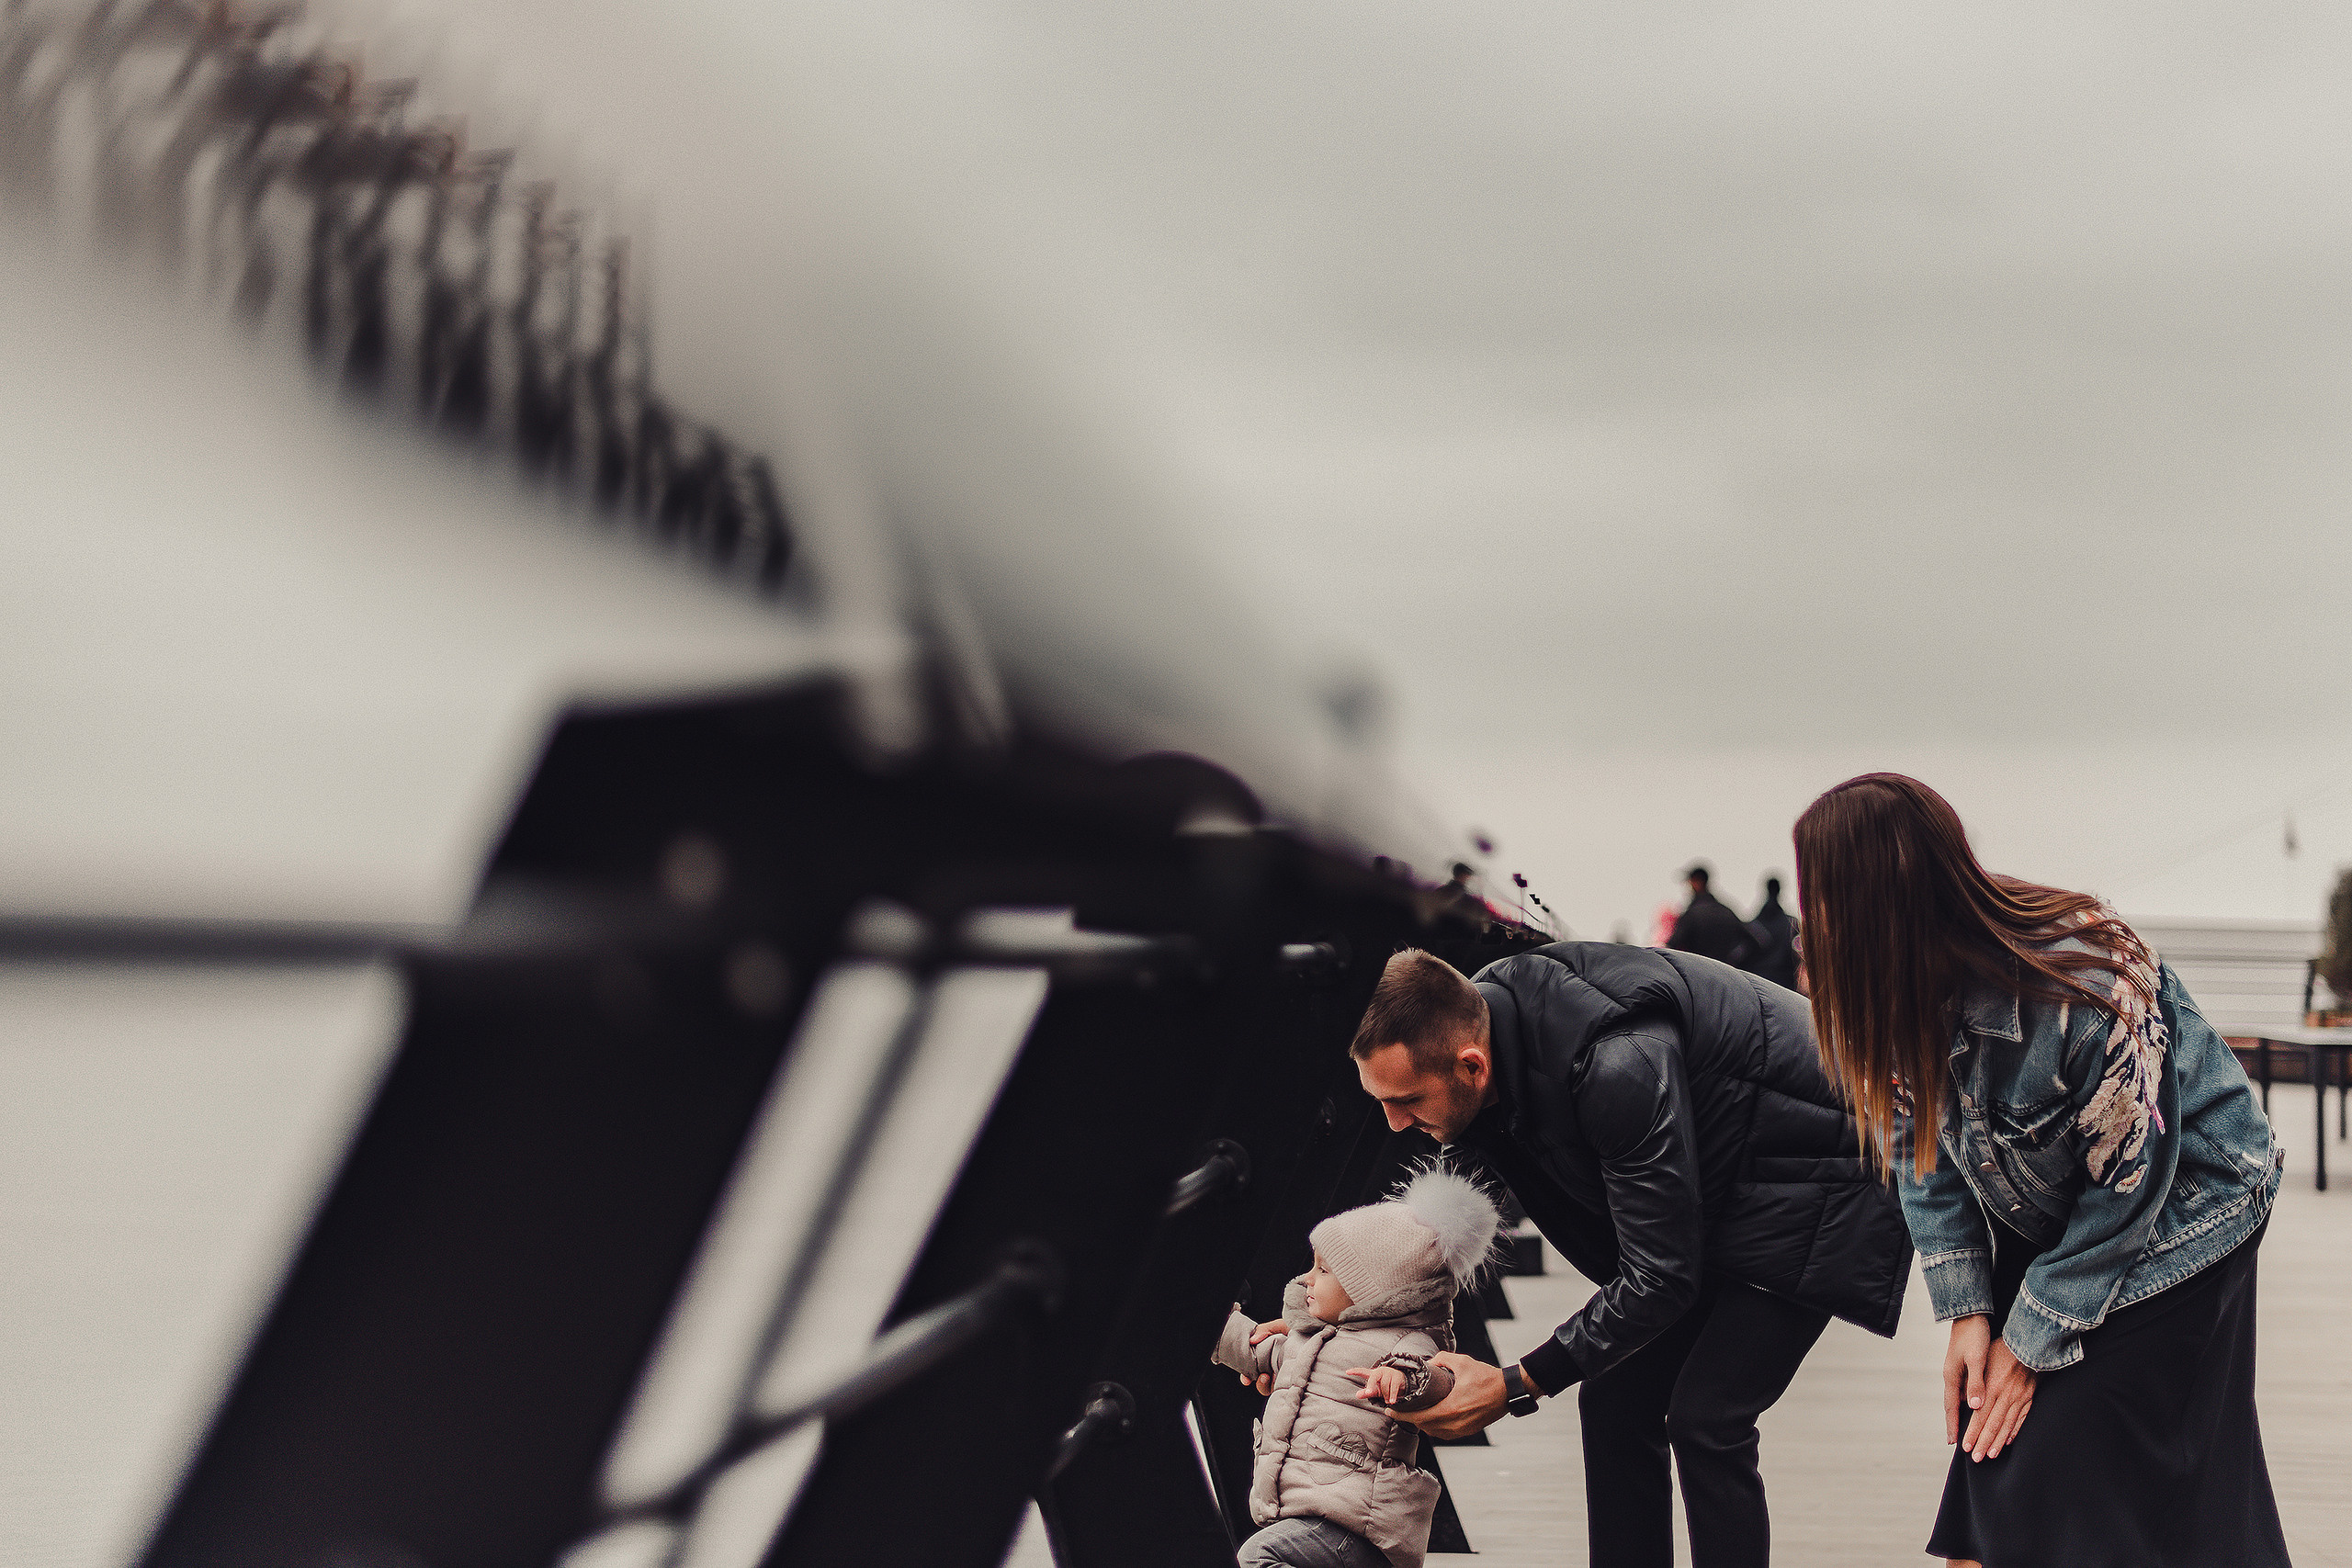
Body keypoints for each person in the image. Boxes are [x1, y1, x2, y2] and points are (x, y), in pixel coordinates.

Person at [1792, 773, 2286, 1568]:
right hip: (2060, 1215)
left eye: (1820, 900)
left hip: (2191, 1212)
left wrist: (2027, 1347)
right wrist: (1969, 1312)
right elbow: (1925, 1159)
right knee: (1996, 1477)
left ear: (1875, 905)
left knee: (2114, 1482)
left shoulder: (2088, 984)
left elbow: (2132, 1188)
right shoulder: (1892, 997)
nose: (1804, 925)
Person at [1347, 947, 1912, 1568]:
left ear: (1472, 1067)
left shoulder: (1614, 1062)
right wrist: (1322, 1317)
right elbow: (1423, 1224)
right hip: (1725, 1189)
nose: (1394, 1122)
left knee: (1707, 1419)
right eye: (1377, 1099)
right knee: (1614, 1398)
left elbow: (1661, 1274)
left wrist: (1513, 1384)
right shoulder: (1483, 1030)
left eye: (1405, 1099)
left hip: (1832, 1173)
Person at [1210, 1168, 1503, 1568]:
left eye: (1323, 1271)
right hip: (1314, 1515)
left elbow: (1437, 1375)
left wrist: (1403, 1378)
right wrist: (1210, 1321)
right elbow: (1257, 1351)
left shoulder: (1404, 1344)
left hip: (1357, 1525)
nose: (1305, 1279)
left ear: (1370, 1293)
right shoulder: (1309, 1340)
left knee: (1260, 1555)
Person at [1668, 863, 1751, 967]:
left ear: (1698, 883)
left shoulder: (1692, 915)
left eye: (1690, 882)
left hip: (1698, 974)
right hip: (1724, 974)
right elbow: (1754, 941)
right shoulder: (1726, 912)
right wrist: (1734, 962)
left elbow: (1672, 946)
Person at [1745, 875, 1801, 991]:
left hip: (1759, 980)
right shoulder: (1792, 923)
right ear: (1780, 891)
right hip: (1785, 981)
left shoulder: (1754, 925)